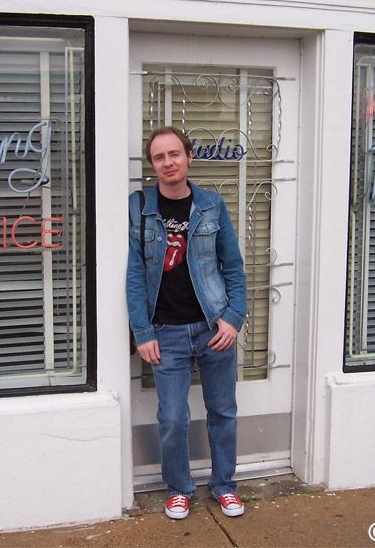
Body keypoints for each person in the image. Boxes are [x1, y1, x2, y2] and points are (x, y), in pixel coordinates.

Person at [126, 126, 248, 520]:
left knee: (223, 411)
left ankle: (225, 485)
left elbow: (233, 267)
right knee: (173, 418)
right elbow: (134, 274)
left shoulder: (211, 204)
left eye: (174, 154)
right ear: (152, 164)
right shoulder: (140, 206)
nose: (168, 162)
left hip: (213, 329)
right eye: (159, 157)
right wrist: (142, 331)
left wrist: (233, 318)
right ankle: (179, 488)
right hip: (166, 334)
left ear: (189, 156)